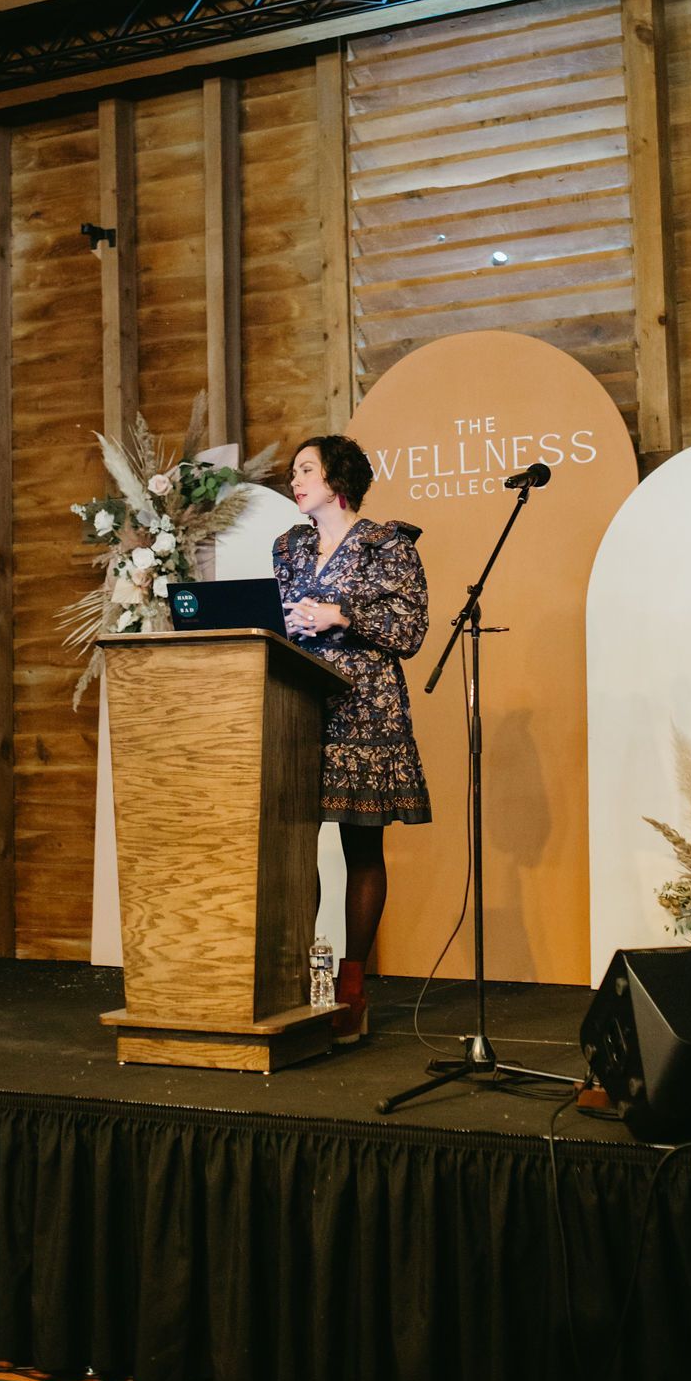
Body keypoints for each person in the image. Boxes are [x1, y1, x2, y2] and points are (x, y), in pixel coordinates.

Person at [273, 433, 431, 1041]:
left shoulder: (388, 543)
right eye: (293, 472)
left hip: (366, 711)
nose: (295, 480)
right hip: (300, 702)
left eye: (305, 470)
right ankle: (299, 977)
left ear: (338, 479)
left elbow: (411, 629)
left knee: (361, 849)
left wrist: (343, 616)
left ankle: (352, 986)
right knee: (295, 845)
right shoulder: (288, 546)